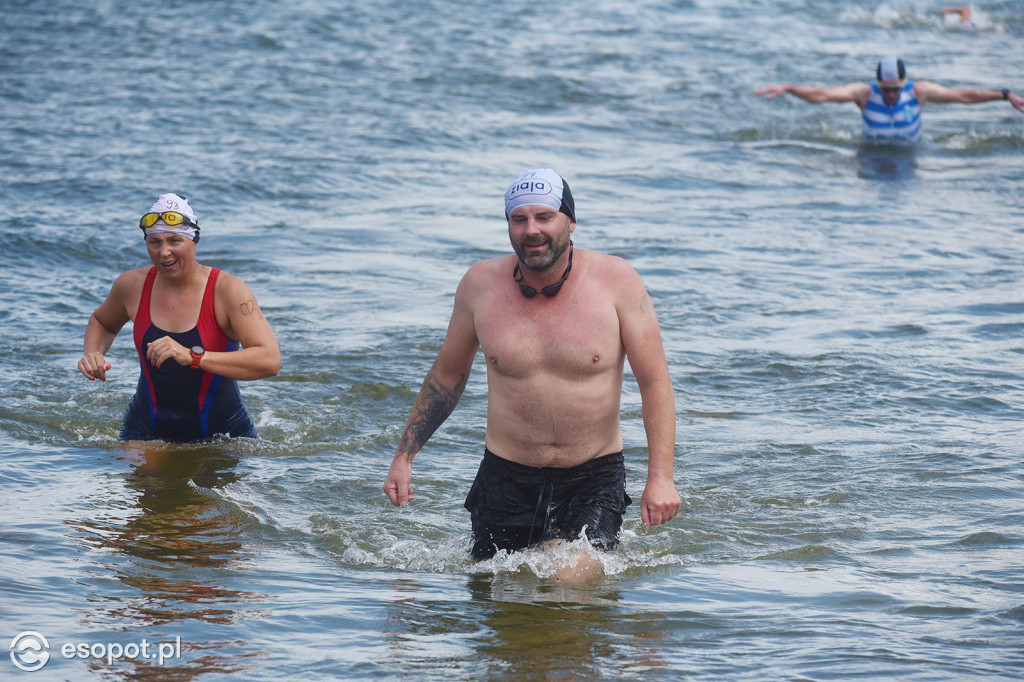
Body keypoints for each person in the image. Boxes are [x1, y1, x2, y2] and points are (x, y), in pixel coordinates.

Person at [383, 169, 681, 577]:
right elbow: (446, 377)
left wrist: (661, 478)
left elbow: (655, 383)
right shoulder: (479, 285)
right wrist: (405, 456)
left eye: (544, 217)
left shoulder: (617, 282)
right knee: (500, 604)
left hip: (591, 478)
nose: (531, 230)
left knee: (570, 578)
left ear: (570, 222)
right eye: (518, 219)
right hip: (504, 477)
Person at [78, 193, 281, 442]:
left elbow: (269, 360)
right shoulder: (131, 285)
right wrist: (93, 352)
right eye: (155, 242)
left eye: (175, 240)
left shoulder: (228, 291)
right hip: (145, 430)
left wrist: (192, 357)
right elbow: (102, 322)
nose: (164, 252)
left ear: (193, 240)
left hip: (223, 436)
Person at [755, 56, 1024, 143]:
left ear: (903, 84)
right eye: (887, 89)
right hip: (872, 153)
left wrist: (1004, 95)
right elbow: (823, 95)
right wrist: (789, 87)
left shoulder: (919, 91)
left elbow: (963, 96)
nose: (891, 94)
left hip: (909, 153)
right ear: (879, 85)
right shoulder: (865, 93)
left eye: (896, 88)